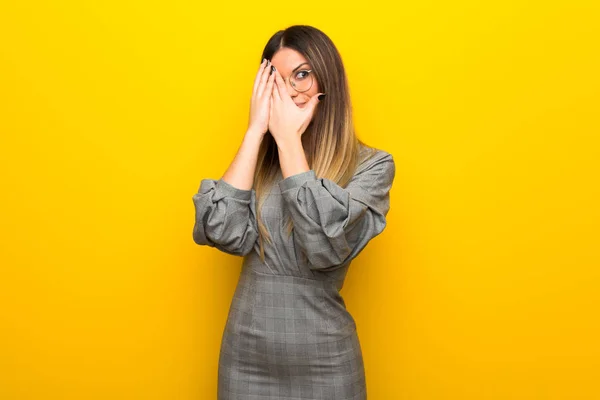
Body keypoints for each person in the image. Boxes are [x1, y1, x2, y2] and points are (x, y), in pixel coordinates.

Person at [192, 24, 395, 400]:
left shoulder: (372, 166)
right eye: (277, 80)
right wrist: (255, 132)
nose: (289, 91)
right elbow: (222, 232)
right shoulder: (260, 162)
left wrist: (287, 140)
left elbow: (325, 245)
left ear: (327, 78)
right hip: (246, 355)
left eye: (301, 74)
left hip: (326, 357)